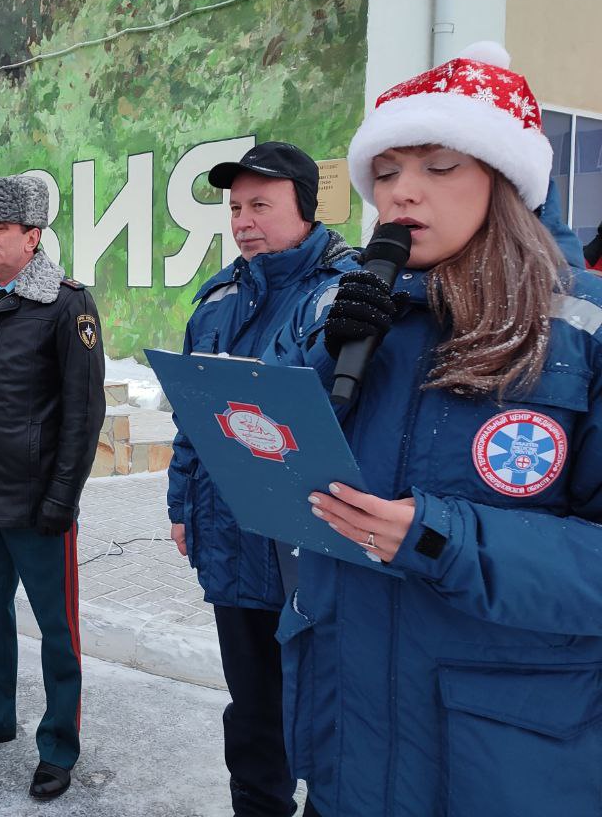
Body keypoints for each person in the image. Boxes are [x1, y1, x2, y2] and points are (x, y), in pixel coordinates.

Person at [267, 42, 602, 816]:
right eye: (385, 173)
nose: (403, 192)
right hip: (349, 754)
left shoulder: (584, 331)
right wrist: (323, 362)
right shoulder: (346, 312)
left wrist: (441, 540)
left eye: (439, 166)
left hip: (503, 768)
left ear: (506, 181)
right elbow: (281, 471)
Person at [166, 142, 360, 817]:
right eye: (235, 208)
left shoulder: (347, 294)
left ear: (305, 208)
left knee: (330, 708)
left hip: (313, 540)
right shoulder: (218, 298)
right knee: (252, 708)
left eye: (260, 205)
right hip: (231, 536)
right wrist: (181, 504)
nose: (243, 221)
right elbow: (192, 416)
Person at [0, 174, 105, 802]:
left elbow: (83, 413)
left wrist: (62, 497)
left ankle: (57, 746)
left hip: (37, 505)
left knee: (58, 632)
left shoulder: (65, 305)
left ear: (32, 237)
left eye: (0, 228)